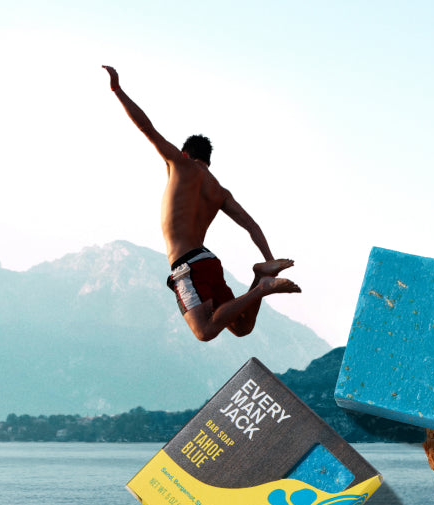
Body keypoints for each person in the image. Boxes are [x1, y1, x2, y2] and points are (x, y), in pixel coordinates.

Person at [103, 65, 299, 342]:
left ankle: (260, 289)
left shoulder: (180, 165)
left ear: (185, 153)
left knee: (204, 331)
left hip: (187, 265)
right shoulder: (220, 190)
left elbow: (147, 128)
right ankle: (260, 276)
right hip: (207, 261)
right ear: (209, 161)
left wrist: (117, 90)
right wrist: (269, 259)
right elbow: (251, 225)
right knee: (241, 326)